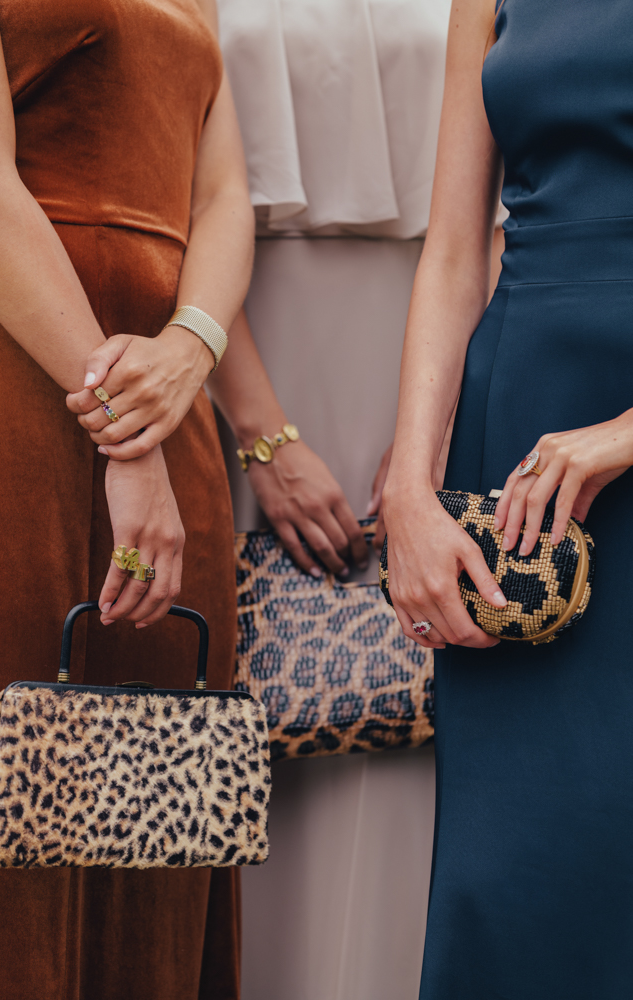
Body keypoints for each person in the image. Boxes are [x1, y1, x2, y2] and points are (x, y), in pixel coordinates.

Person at [0, 0, 254, 997]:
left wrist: (191, 348)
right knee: (1, 783)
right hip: (15, 377)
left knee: (158, 804)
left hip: (168, 399)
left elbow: (221, 197)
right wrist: (125, 434)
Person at [384, 0, 633, 996]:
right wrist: (408, 487)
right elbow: (451, 252)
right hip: (518, 447)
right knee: (509, 872)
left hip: (606, 431)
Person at [215, 2, 452, 998]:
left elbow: (493, 205)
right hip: (242, 360)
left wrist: (431, 430)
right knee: (251, 698)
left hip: (432, 362)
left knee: (416, 701)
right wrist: (261, 434)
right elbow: (178, 207)